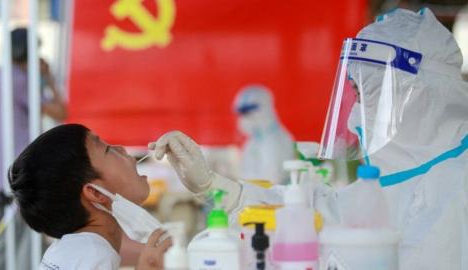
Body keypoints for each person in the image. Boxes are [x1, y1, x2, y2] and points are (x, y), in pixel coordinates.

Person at [149, 8, 468, 269]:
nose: (355, 115)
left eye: (367, 96)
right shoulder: (387, 185)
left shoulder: (458, 186)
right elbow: (313, 213)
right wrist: (216, 187)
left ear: (418, 99)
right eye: (355, 94)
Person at [8, 124, 172, 269]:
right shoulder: (95, 255)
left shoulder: (71, 250)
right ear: (96, 193)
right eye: (108, 149)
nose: (121, 148)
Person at [0, 27, 67, 270]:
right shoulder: (21, 81)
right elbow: (60, 112)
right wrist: (48, 77)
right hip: (18, 170)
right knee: (22, 243)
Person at [233, 85, 294, 184]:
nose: (244, 120)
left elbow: (271, 180)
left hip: (272, 198)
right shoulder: (255, 140)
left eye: (248, 115)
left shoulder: (276, 140)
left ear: (264, 110)